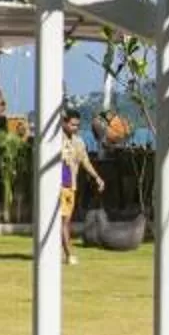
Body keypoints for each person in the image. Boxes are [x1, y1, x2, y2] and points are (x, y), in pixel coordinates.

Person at [53, 104, 104, 264]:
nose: (75, 127)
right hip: (58, 185)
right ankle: (68, 254)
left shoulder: (78, 142)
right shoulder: (55, 140)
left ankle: (62, 252)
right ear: (64, 123)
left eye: (77, 125)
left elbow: (85, 161)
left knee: (66, 220)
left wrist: (97, 177)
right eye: (72, 124)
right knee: (63, 221)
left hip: (70, 185)